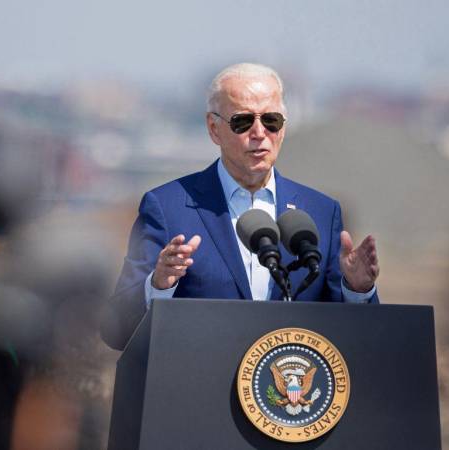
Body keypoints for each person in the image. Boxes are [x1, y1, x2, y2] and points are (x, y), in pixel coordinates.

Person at [101, 63, 380, 350]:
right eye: (242, 121)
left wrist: (357, 290)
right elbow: (117, 330)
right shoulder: (168, 207)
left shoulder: (322, 212)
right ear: (214, 128)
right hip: (197, 389)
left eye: (271, 120)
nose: (259, 132)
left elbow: (354, 337)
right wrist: (158, 285)